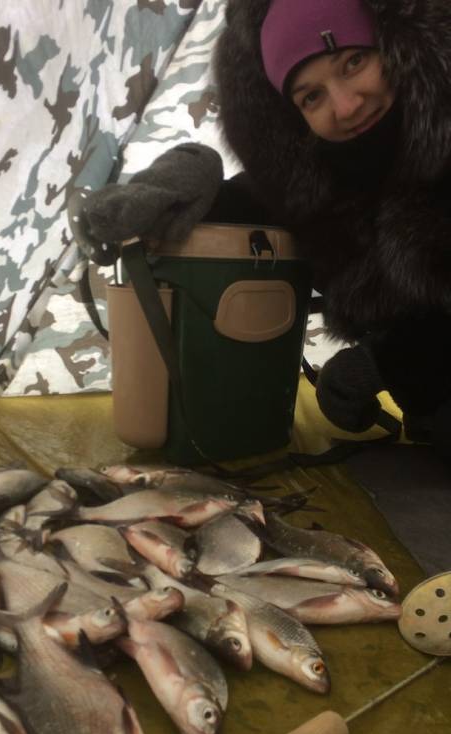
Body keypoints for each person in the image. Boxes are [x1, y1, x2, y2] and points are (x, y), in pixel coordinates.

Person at [72, 0, 451, 462]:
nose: (346, 106)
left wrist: (395, 362)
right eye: (311, 96)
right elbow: (260, 209)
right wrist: (188, 174)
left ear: (398, 47)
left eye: (354, 62)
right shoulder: (327, 181)